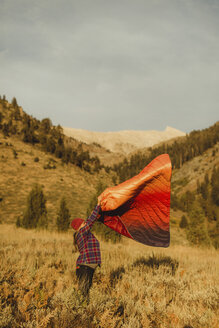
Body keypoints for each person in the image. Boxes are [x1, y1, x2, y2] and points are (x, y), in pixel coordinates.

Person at [71, 205, 101, 300]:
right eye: (83, 223)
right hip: (85, 266)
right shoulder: (82, 233)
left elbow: (91, 219)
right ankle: (81, 311)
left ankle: (82, 309)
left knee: (85, 291)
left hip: (86, 266)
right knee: (83, 291)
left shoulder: (84, 234)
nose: (85, 224)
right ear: (79, 227)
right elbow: (91, 220)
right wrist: (98, 206)